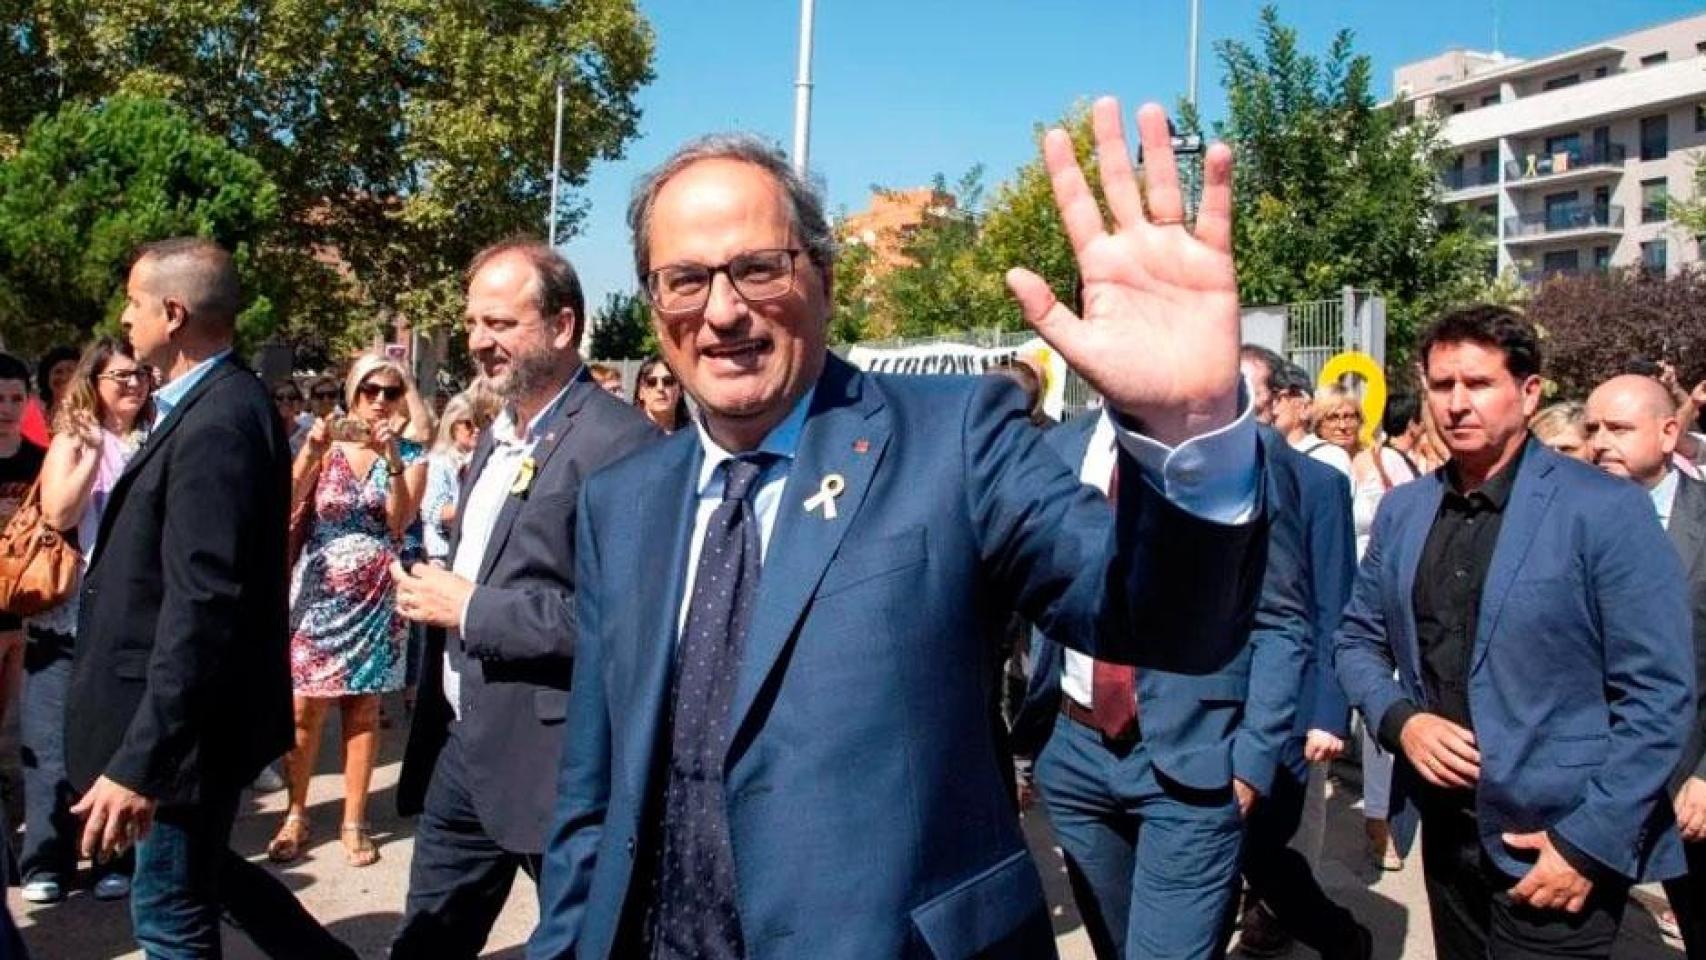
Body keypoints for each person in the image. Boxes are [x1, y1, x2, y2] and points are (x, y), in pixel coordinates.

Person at [529, 99, 1266, 960]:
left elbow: (1164, 624)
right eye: (685, 279)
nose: (722, 311)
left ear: (825, 278)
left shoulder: (956, 438)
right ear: (655, 304)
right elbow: (594, 791)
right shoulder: (621, 502)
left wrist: (1187, 429)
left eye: (758, 269)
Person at [1335, 304, 1694, 960]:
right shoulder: (1405, 510)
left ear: (1529, 393)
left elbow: (1659, 694)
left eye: (1478, 383)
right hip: (1448, 836)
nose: (1456, 403)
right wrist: (1400, 721)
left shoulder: (1603, 508)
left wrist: (1588, 843)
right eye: (1442, 385)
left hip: (1559, 843)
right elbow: (1357, 639)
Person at [64, 237, 353, 958]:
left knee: (169, 915)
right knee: (205, 879)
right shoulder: (211, 404)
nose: (124, 319)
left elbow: (203, 606)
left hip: (184, 736)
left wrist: (143, 762)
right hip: (184, 728)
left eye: (133, 303)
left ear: (173, 313)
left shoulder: (218, 419)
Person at [390, 240, 657, 958]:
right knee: (424, 943)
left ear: (563, 326)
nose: (480, 341)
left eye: (501, 323)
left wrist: (470, 609)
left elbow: (623, 622)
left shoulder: (621, 444)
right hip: (465, 746)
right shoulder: (496, 435)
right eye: (473, 323)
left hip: (558, 763)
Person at [1011, 405, 1309, 960]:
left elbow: (1282, 619)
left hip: (1197, 758)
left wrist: (1253, 757)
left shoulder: (1245, 451)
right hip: (1074, 755)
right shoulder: (1056, 449)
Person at [264, 352, 429, 868]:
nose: (379, 401)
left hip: (375, 594)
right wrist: (312, 451)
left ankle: (354, 820)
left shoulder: (410, 453)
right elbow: (285, 501)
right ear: (352, 394)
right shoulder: (324, 443)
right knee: (303, 707)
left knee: (362, 709)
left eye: (391, 392)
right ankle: (295, 813)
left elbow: (399, 521)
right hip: (317, 593)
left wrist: (393, 459)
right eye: (369, 391)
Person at [1231, 345, 1369, 960]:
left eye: (1244, 389)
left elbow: (1334, 602)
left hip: (1286, 703)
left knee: (1264, 849)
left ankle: (1342, 939)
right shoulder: (1195, 473)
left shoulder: (1318, 483)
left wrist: (1328, 712)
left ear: (1278, 401)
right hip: (1211, 699)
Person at [18, 339, 149, 906]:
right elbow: (58, 511)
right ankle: (46, 859)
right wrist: (96, 448)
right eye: (120, 377)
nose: (133, 385)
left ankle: (111, 857)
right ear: (93, 383)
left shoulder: (157, 436)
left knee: (111, 743)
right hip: (66, 616)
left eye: (140, 375)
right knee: (49, 745)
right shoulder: (74, 437)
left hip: (126, 617)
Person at [1583, 374, 1706, 956]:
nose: (1601, 442)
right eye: (1592, 429)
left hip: (1689, 781)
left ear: (1668, 433)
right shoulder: (1567, 521)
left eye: (1619, 428)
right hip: (1590, 780)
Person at [1347, 390, 1429, 872]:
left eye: (1351, 416)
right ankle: (1378, 819)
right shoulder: (1367, 462)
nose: (1343, 424)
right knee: (1384, 705)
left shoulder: (1424, 467)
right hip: (1368, 596)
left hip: (1410, 596)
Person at [1295, 384, 1359, 479]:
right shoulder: (1310, 461)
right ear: (1317, 423)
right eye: (1333, 418)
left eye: (1348, 417)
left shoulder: (1374, 458)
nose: (1343, 426)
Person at [631, 354, 689, 433]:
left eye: (668, 381)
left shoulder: (697, 436)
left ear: (681, 390)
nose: (660, 388)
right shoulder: (628, 435)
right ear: (641, 392)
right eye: (651, 382)